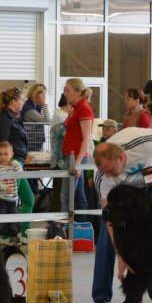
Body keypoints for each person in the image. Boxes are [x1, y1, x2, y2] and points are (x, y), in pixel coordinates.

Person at [90, 127, 152, 303]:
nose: (108, 175)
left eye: (110, 170)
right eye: (104, 171)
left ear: (121, 158)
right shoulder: (102, 176)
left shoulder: (142, 143)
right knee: (106, 239)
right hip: (123, 193)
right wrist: (121, 254)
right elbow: (110, 220)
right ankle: (101, 296)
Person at [0, 87, 34, 237]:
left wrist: (24, 154)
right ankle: (7, 235)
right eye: (21, 99)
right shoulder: (4, 120)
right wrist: (8, 166)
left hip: (18, 162)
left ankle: (23, 233)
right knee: (10, 201)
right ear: (13, 101)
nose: (23, 102)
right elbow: (2, 145)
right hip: (12, 164)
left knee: (27, 199)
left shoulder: (12, 118)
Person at [60, 78, 94, 221]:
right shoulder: (76, 108)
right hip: (71, 156)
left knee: (66, 196)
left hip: (75, 158)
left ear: (78, 92)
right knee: (79, 196)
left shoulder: (84, 109)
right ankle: (81, 226)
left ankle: (64, 228)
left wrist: (77, 164)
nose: (65, 94)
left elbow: (87, 138)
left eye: (67, 91)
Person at [0, 141, 24, 243]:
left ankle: (14, 238)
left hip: (12, 199)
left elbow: (21, 173)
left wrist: (15, 163)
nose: (3, 157)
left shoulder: (14, 167)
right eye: (0, 154)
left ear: (11, 154)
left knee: (13, 219)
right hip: (0, 200)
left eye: (6, 154)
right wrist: (3, 187)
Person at [20, 83, 50, 151]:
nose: (45, 98)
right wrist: (44, 104)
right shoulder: (29, 110)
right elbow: (47, 121)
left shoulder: (36, 106)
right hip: (31, 145)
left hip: (35, 143)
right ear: (37, 95)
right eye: (43, 94)